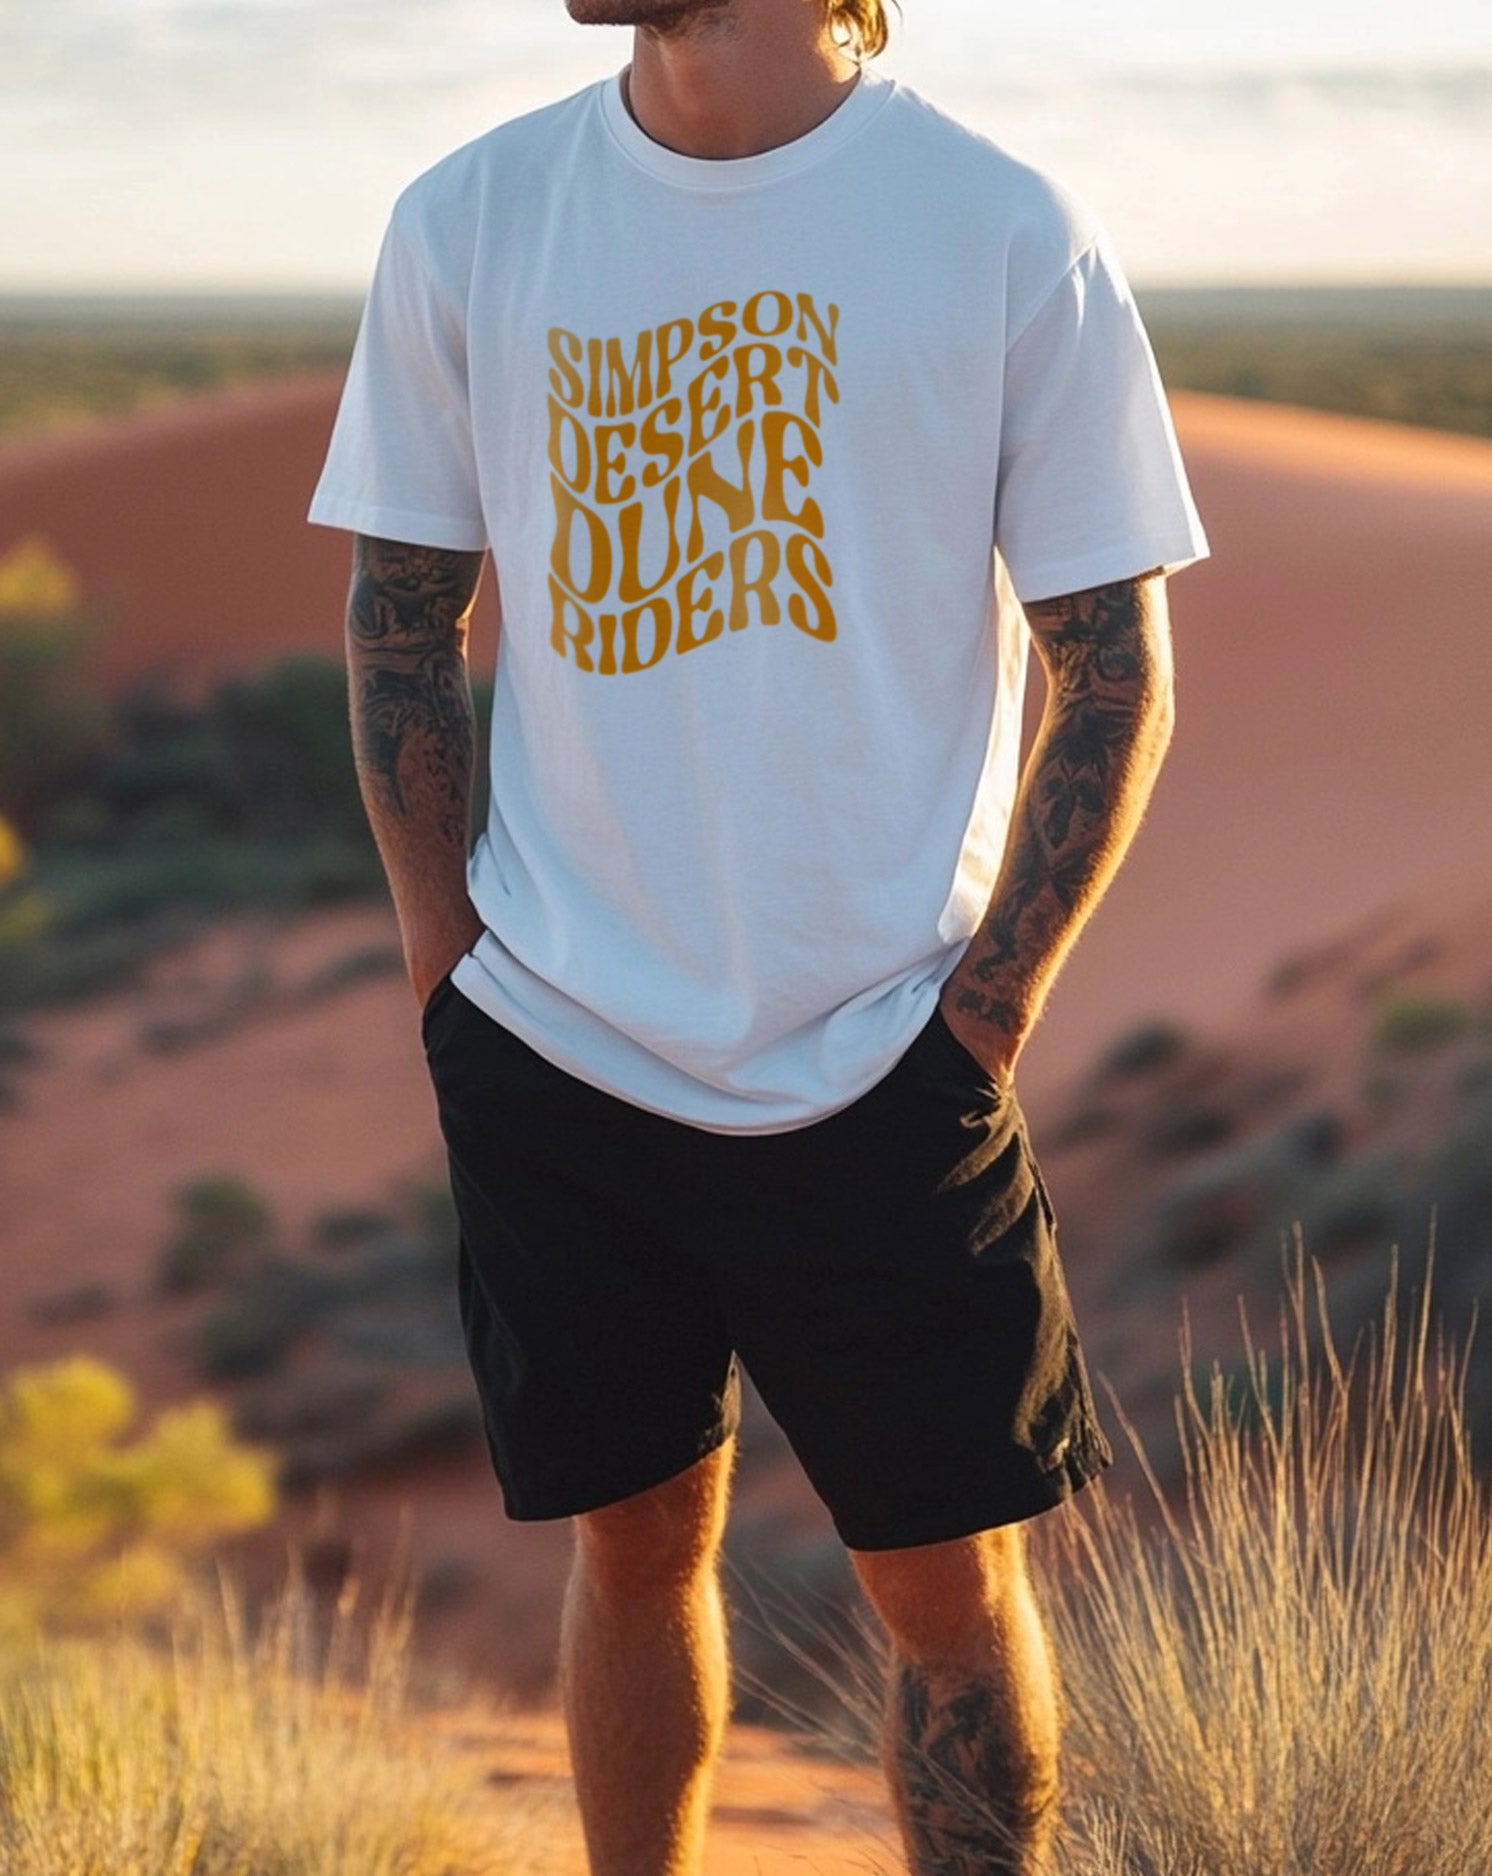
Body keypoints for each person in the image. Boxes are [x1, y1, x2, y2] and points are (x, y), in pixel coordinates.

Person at [309, 0, 1209, 1868]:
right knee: (630, 1540)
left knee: (947, 1585)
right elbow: (401, 615)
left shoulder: (1002, 227)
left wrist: (985, 1011)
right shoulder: (472, 214)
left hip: (887, 1045)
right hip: (555, 1041)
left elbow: (1112, 674)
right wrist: (445, 977)